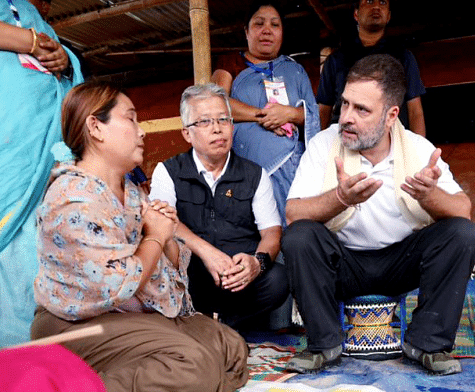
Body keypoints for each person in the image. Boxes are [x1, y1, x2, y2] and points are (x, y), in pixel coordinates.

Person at [30, 81, 249, 391]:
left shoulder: (132, 195)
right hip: (76, 326)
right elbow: (116, 286)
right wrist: (155, 237)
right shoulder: (73, 196)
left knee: (230, 347)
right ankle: (80, 384)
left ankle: (178, 376)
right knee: (194, 364)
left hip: (128, 318)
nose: (142, 131)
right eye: (130, 118)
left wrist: (168, 237)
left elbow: (165, 268)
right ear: (96, 127)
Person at [282, 54, 475, 375]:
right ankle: (323, 344)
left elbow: (463, 211)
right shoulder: (324, 144)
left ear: (391, 115)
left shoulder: (417, 149)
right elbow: (293, 213)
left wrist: (430, 196)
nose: (346, 117)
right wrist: (339, 198)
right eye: (344, 104)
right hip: (343, 264)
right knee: (300, 236)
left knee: (462, 234)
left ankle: (427, 343)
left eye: (361, 110)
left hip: (401, 263)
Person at [149, 83, 288, 329]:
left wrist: (256, 263)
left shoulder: (255, 174)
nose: (217, 129)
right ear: (186, 134)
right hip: (191, 277)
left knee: (279, 279)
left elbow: (272, 233)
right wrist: (207, 253)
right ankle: (197, 322)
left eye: (223, 120)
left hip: (238, 279)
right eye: (204, 122)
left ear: (232, 126)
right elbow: (161, 222)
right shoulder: (168, 171)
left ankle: (226, 325)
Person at [0, 0, 83, 347]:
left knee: (39, 253)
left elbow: (69, 77)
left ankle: (43, 355)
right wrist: (29, 42)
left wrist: (65, 59)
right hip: (10, 152)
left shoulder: (31, 15)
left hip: (47, 155)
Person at [211, 0, 319, 227]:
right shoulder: (231, 62)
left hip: (295, 172)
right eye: (259, 24)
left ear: (282, 33)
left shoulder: (295, 69)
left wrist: (288, 114)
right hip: (246, 170)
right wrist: (264, 115)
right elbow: (216, 103)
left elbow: (312, 116)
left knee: (297, 231)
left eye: (275, 25)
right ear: (246, 31)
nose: (267, 30)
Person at [317, 0, 427, 136]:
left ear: (388, 16)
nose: (376, 7)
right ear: (356, 14)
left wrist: (418, 153)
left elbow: (415, 111)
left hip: (392, 143)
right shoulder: (336, 60)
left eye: (382, 2)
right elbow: (323, 111)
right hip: (346, 141)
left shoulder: (403, 57)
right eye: (369, 1)